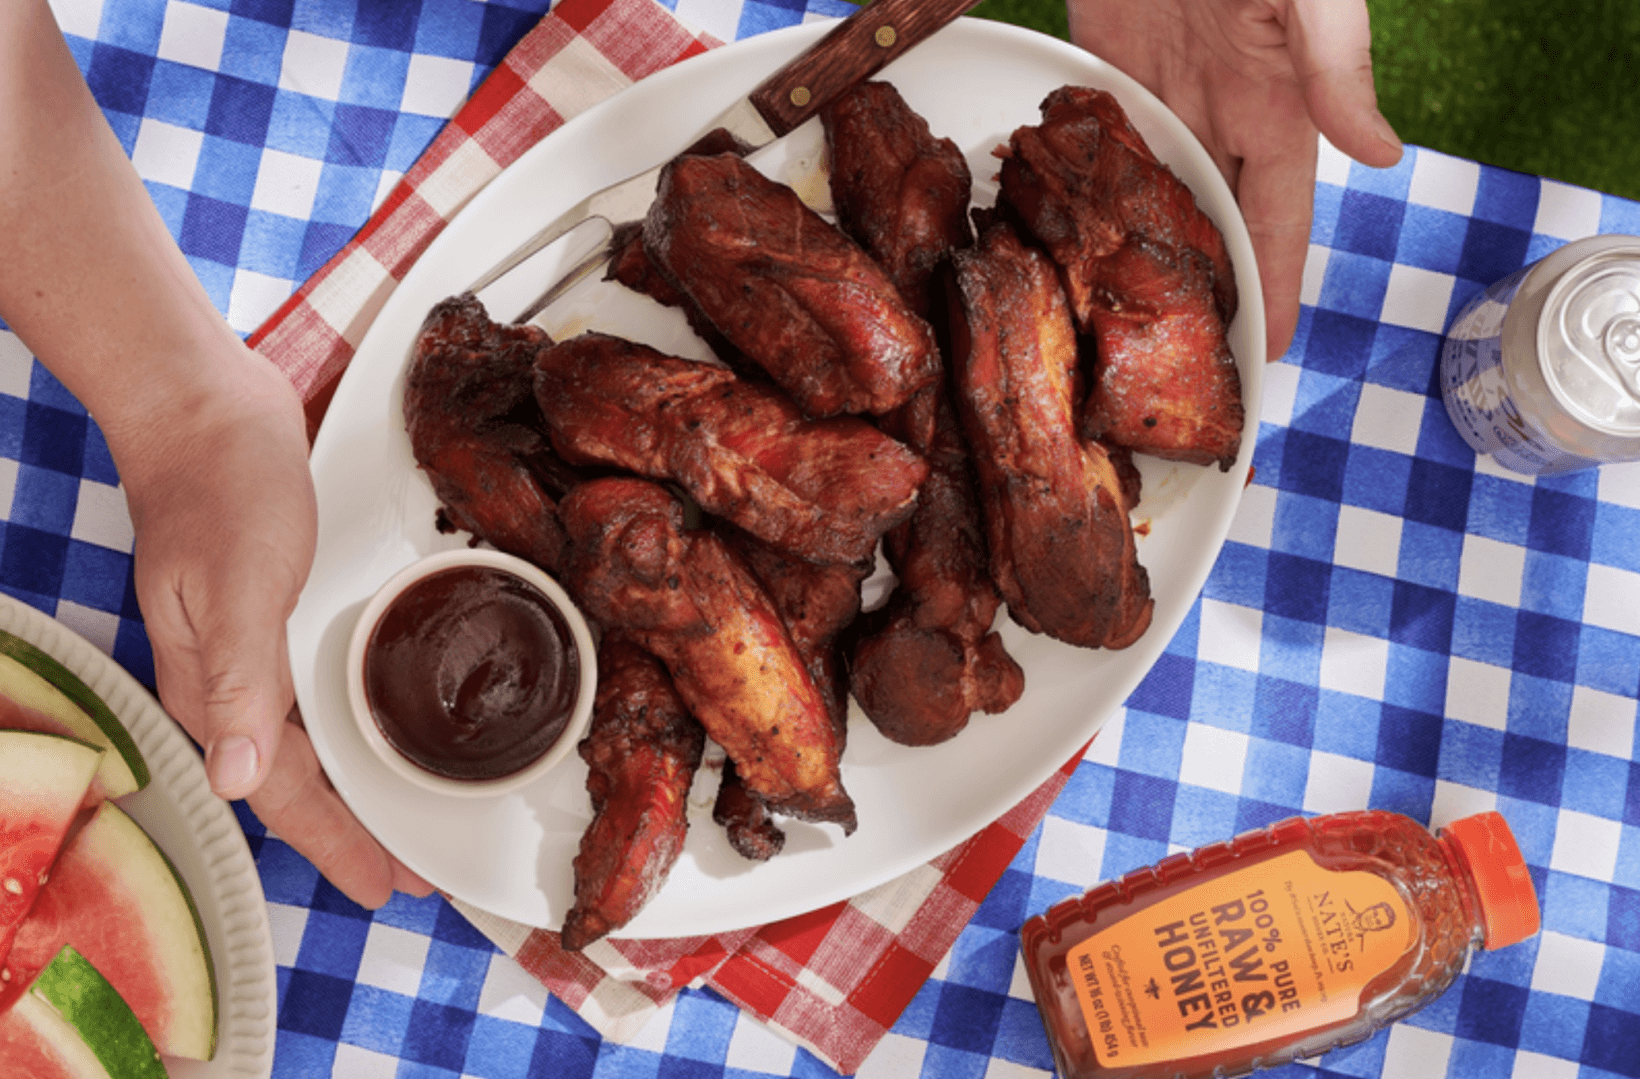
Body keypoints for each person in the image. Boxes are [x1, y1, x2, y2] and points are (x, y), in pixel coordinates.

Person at [0, 0, 1398, 908]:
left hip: (675, 69)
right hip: (299, 131)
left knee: (880, 383)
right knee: (862, 392)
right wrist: (173, 396)